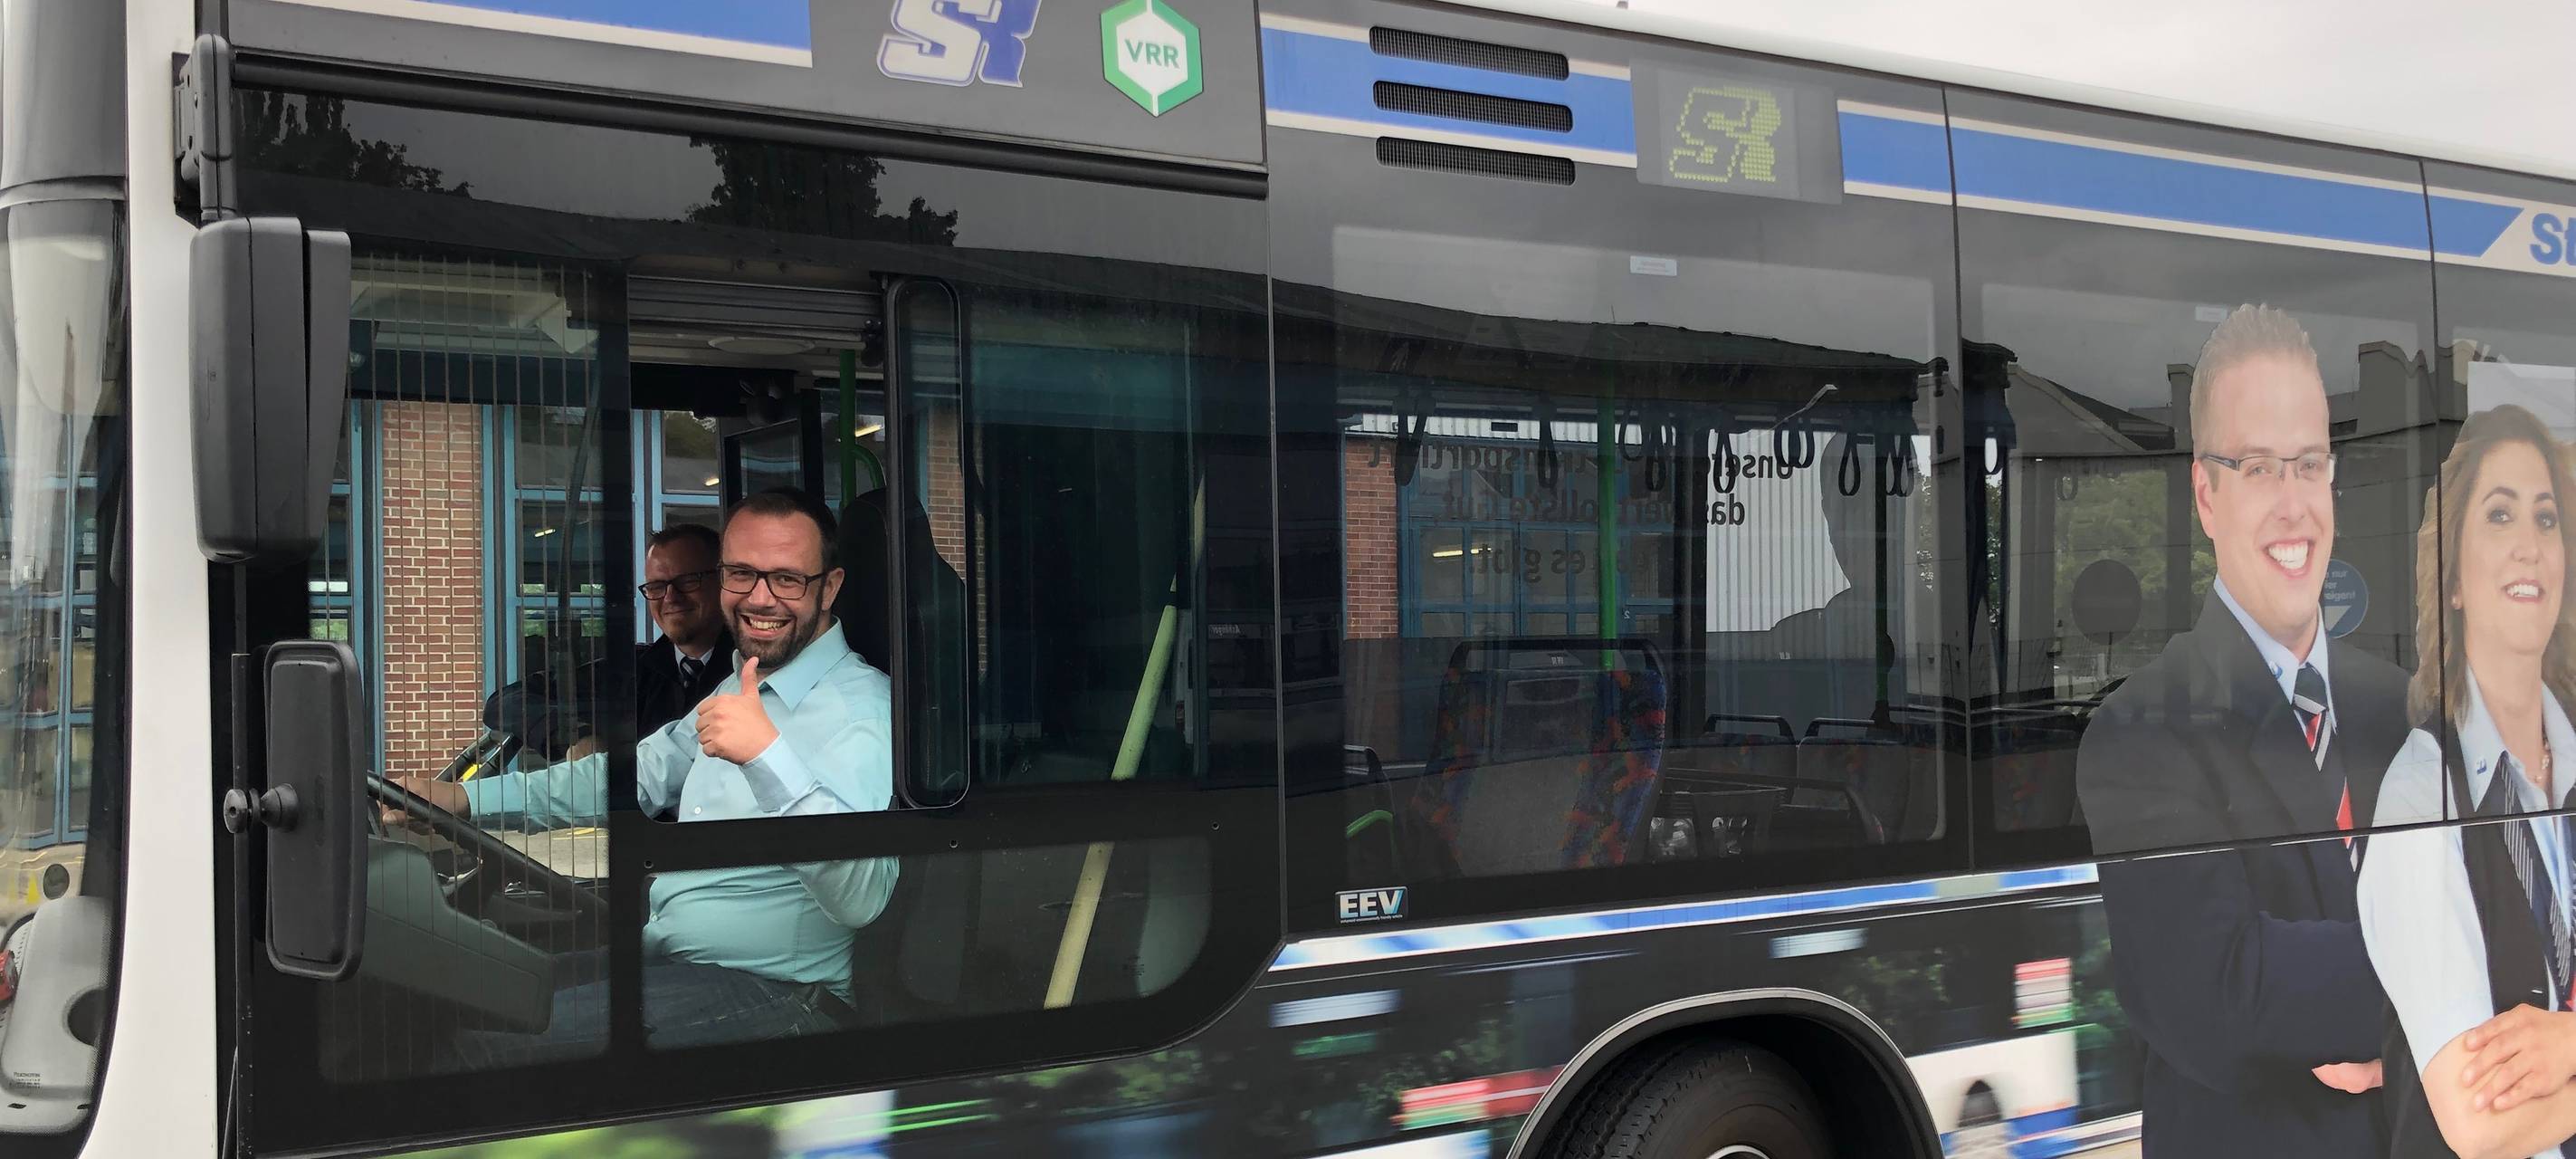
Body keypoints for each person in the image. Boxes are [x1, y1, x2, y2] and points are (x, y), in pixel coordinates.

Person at [387, 487, 894, 1064]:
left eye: (787, 579)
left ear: (829, 587)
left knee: (477, 1052)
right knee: (447, 1001)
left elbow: (861, 898)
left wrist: (767, 757)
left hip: (782, 993)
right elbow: (636, 776)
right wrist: (463, 799)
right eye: (741, 573)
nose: (760, 597)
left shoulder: (861, 710)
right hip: (673, 957)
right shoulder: (742, 682)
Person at [2074, 304, 2412, 1157]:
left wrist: (2386, 1031)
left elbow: (2512, 916)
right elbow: (2218, 992)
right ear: (2205, 494)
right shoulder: (2141, 729)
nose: (2294, 505)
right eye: (2259, 468)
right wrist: (2435, 994)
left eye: (2309, 464)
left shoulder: (2410, 709)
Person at [2361, 404, 2576, 1159]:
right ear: (2452, 578)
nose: (2529, 546)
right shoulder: (2422, 798)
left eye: (2546, 521)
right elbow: (2480, 1123)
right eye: (2500, 515)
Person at [635, 522, 733, 738]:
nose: (670, 597)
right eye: (657, 587)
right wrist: (582, 734)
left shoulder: (755, 668)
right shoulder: (635, 671)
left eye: (687, 581)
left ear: (723, 581)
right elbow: (546, 690)